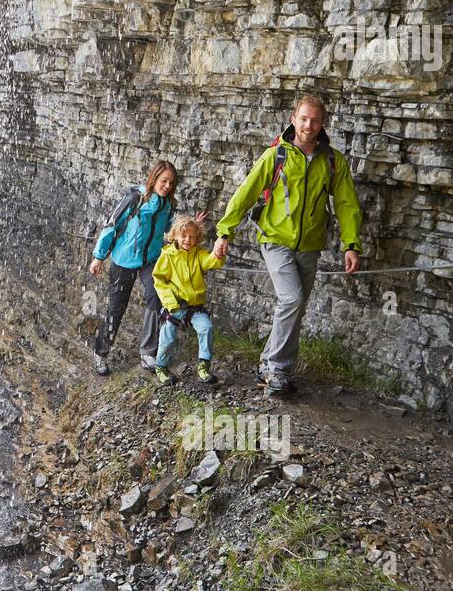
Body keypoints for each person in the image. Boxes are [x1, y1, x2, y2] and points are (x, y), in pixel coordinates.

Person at [212, 96, 363, 394]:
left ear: (323, 124)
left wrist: (351, 244)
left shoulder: (332, 161)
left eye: (315, 120)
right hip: (275, 239)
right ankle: (278, 370)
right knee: (292, 300)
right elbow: (246, 192)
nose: (309, 125)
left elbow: (346, 204)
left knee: (296, 306)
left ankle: (268, 365)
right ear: (293, 118)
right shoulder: (276, 155)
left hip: (309, 244)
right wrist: (224, 232)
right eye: (304, 118)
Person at [88, 161, 205, 376]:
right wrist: (99, 256)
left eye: (171, 183)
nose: (167, 186)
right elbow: (112, 224)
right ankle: (101, 353)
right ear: (154, 179)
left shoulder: (168, 205)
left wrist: (193, 226)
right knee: (116, 309)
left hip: (151, 260)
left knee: (156, 298)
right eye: (164, 181)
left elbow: (173, 229)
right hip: (124, 261)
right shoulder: (135, 199)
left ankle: (148, 352)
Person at [152, 214, 224, 385]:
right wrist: (170, 304)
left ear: (197, 238)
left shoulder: (198, 254)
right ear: (175, 236)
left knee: (206, 328)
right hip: (175, 305)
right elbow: (159, 280)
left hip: (195, 306)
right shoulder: (168, 256)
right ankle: (161, 366)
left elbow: (210, 262)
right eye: (183, 235)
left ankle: (204, 367)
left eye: (192, 236)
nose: (187, 239)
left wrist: (217, 253)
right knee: (168, 336)